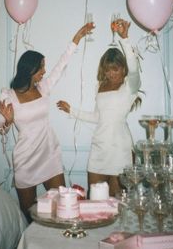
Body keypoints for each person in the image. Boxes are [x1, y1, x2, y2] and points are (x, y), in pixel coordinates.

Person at [0, 22, 94, 223]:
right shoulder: (9, 96)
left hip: (49, 154)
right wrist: (7, 122)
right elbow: (1, 129)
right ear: (29, 70)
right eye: (41, 68)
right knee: (29, 213)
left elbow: (62, 64)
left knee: (63, 206)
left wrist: (77, 38)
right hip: (25, 159)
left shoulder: (43, 87)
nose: (44, 71)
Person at [57, 19, 141, 197]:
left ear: (123, 68)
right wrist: (71, 110)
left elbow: (134, 69)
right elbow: (97, 117)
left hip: (120, 150)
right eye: (108, 69)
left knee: (117, 204)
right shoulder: (99, 87)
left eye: (115, 69)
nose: (111, 73)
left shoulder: (130, 86)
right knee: (95, 201)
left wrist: (124, 39)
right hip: (99, 149)